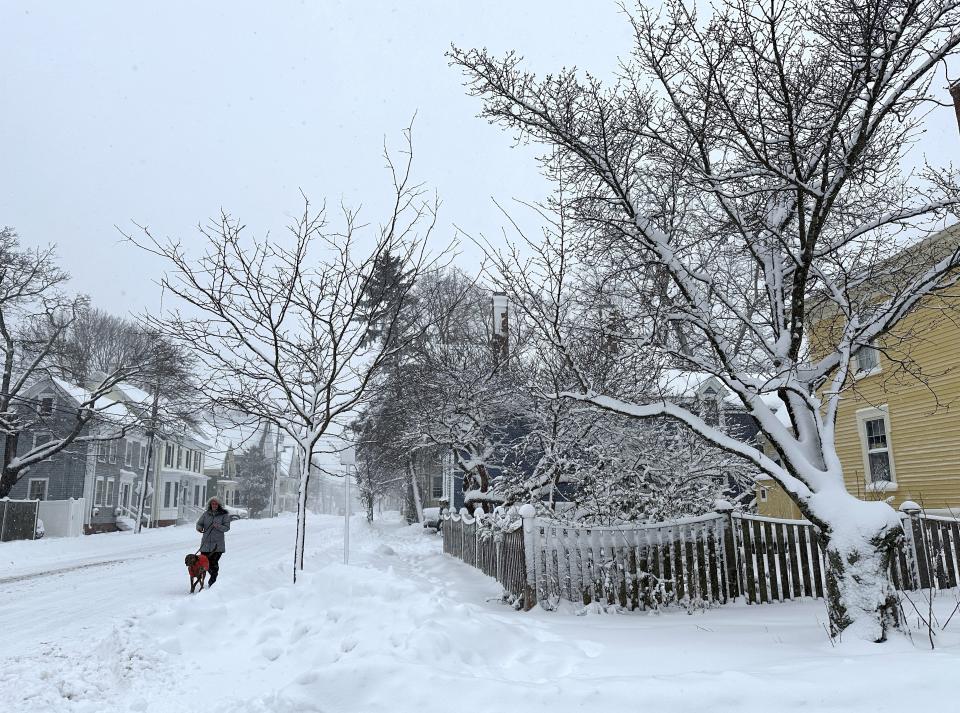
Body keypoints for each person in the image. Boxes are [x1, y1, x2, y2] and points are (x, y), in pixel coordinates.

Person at [196, 496, 231, 586]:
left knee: (213, 563)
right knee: (204, 564)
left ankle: (212, 582)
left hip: (217, 546)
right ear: (210, 504)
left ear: (219, 505)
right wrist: (199, 528)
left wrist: (218, 526)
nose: (214, 505)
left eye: (216, 504)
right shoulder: (206, 514)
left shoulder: (224, 515)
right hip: (205, 544)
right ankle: (211, 580)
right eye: (212, 503)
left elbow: (227, 528)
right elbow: (199, 523)